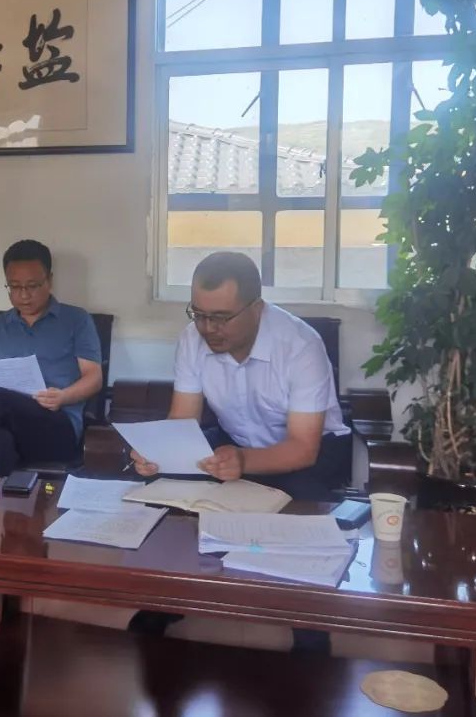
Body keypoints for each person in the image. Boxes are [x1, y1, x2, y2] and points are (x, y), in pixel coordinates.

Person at [128, 251, 351, 651]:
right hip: (236, 444)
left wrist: (244, 462)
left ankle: (309, 624)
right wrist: (157, 453)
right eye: (198, 314)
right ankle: (165, 599)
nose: (208, 329)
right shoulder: (192, 339)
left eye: (221, 318)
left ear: (257, 308)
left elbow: (303, 448)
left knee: (299, 511)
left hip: (308, 454)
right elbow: (183, 421)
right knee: (170, 486)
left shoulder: (300, 345)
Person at [0, 240, 103, 476]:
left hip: (57, 427)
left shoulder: (76, 320)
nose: (24, 295)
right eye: (15, 287)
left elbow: (94, 378)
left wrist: (63, 396)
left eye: (32, 286)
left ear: (49, 280)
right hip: (10, 428)